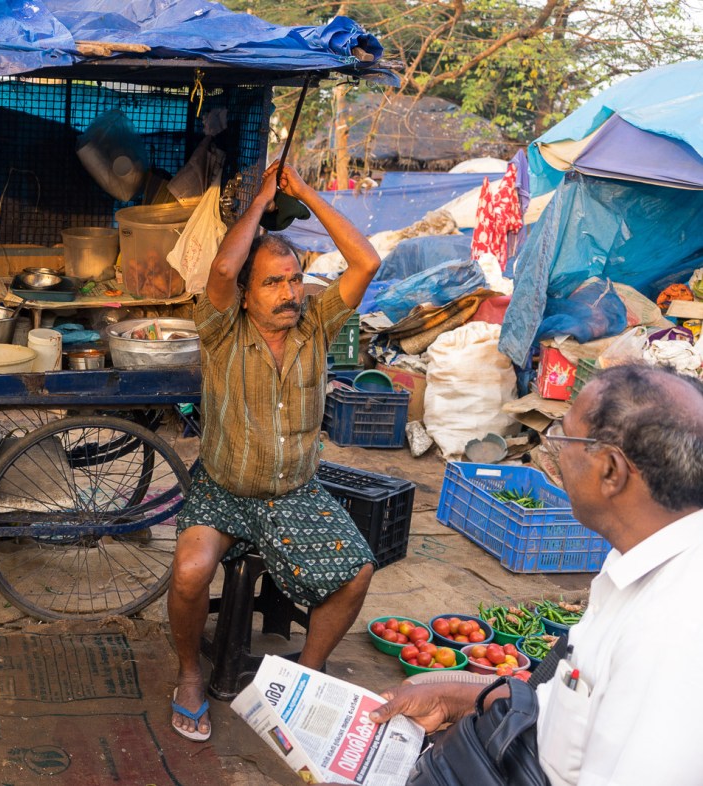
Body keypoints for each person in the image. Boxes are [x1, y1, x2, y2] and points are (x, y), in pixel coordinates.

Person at [371, 364, 703, 785]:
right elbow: (571, 714)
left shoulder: (674, 634)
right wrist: (454, 698)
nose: (554, 452)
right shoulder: (634, 557)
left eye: (563, 437)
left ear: (611, 471)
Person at [169, 161, 383, 741]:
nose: (289, 294)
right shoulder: (220, 329)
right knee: (189, 572)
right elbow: (222, 267)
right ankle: (189, 674)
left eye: (294, 279)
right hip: (223, 489)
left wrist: (306, 192)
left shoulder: (317, 324)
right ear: (243, 296)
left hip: (294, 492)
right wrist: (263, 200)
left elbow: (366, 262)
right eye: (271, 283)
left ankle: (305, 678)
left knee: (358, 571)